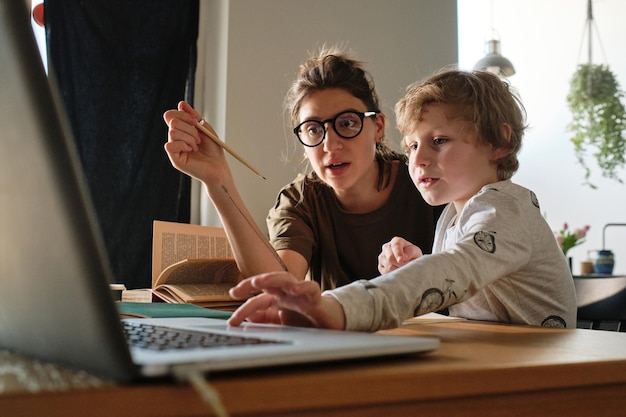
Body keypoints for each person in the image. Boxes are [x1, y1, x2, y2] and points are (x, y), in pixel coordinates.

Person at [227, 69, 578, 331]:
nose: (418, 158)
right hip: (508, 362)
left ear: (498, 142)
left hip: (550, 375)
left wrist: (335, 306)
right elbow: (460, 291)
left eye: (438, 140)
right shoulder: (453, 218)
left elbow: (456, 270)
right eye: (412, 145)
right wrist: (417, 266)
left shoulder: (505, 208)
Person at [163, 46, 439, 291]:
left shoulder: (425, 180)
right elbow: (276, 283)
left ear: (377, 127)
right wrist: (218, 180)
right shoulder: (301, 201)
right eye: (313, 129)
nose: (330, 145)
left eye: (347, 123)